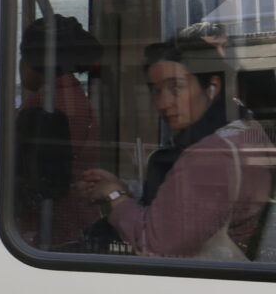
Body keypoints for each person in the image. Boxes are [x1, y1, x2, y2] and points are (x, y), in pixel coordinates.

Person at [76, 43, 272, 260]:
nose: (163, 103)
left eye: (176, 87)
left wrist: (114, 196)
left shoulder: (209, 154)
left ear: (213, 86)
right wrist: (127, 188)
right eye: (156, 90)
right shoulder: (243, 129)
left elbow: (155, 245)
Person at [15, 15, 103, 247]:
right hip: (79, 216)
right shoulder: (77, 98)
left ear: (33, 62)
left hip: (51, 226)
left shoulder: (42, 105)